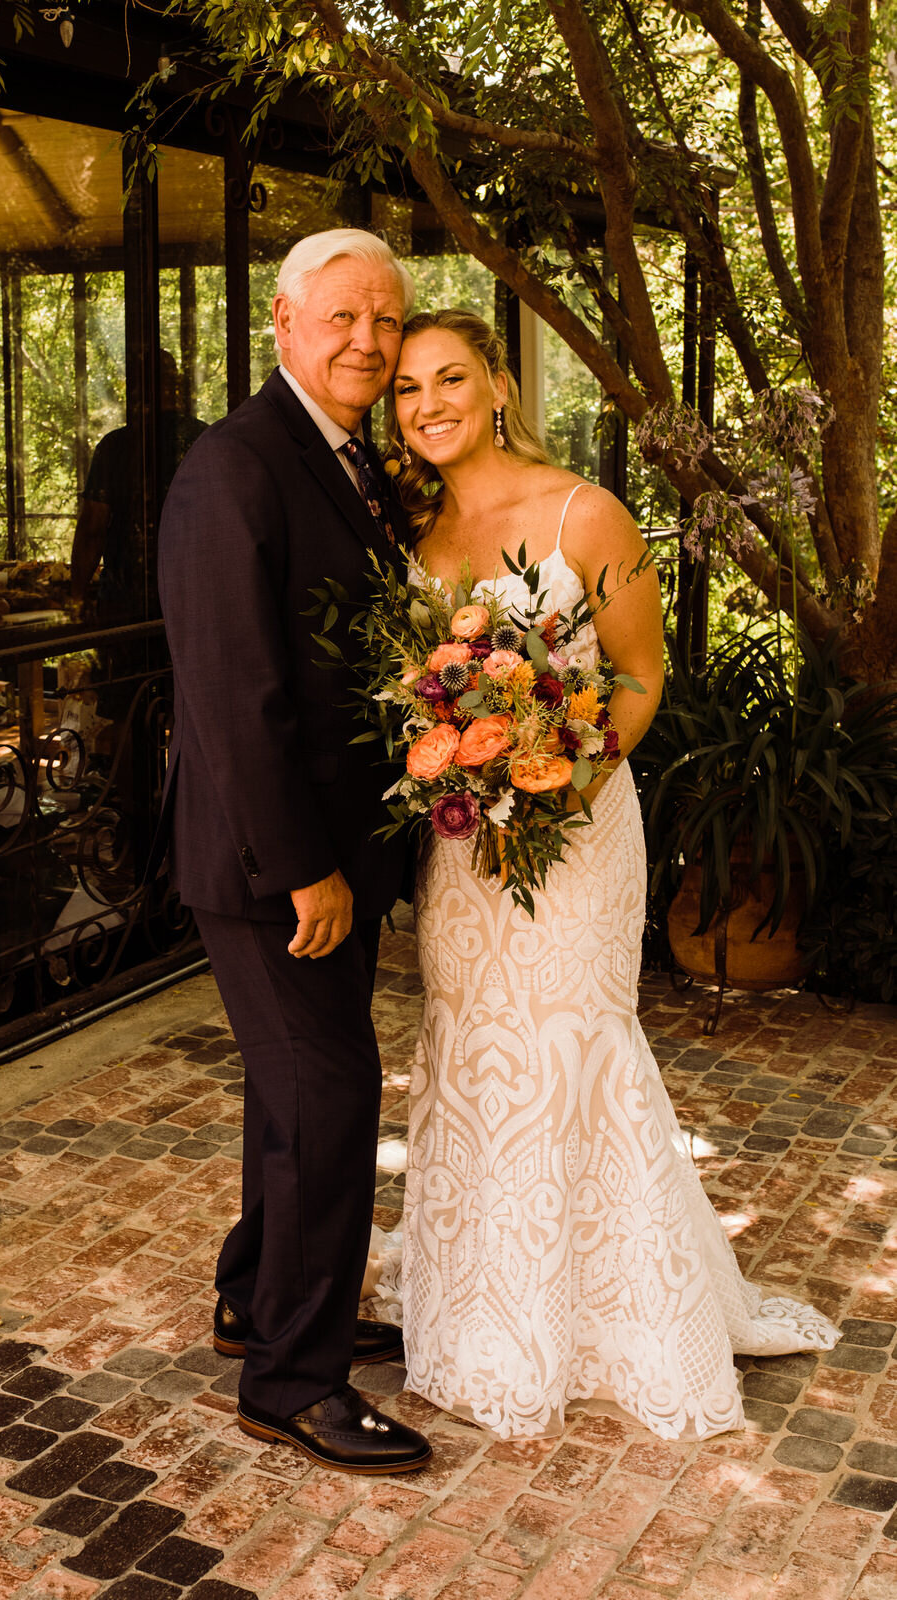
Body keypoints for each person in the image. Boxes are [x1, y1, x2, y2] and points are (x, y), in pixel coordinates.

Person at [373, 308, 839, 1441]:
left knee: (569, 1036)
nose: (427, 403)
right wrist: (469, 780)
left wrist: (555, 787)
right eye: (404, 389)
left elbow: (638, 675)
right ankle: (481, 1303)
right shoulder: (415, 531)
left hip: (574, 826)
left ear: (495, 382)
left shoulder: (587, 511)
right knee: (473, 1039)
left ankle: (605, 1313)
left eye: (448, 378)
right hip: (464, 839)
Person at [157, 230, 432, 1473]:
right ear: (283, 322)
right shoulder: (236, 469)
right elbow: (234, 692)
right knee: (331, 1101)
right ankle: (294, 1377)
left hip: (334, 854)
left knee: (290, 1090)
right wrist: (300, 868)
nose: (368, 341)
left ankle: (251, 1300)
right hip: (276, 868)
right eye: (343, 319)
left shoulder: (347, 458)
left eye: (387, 319)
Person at [71, 350, 207, 624]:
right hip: (192, 598)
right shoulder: (205, 440)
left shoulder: (116, 446)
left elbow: (92, 528)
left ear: (136, 388)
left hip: (125, 603)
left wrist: (76, 596)